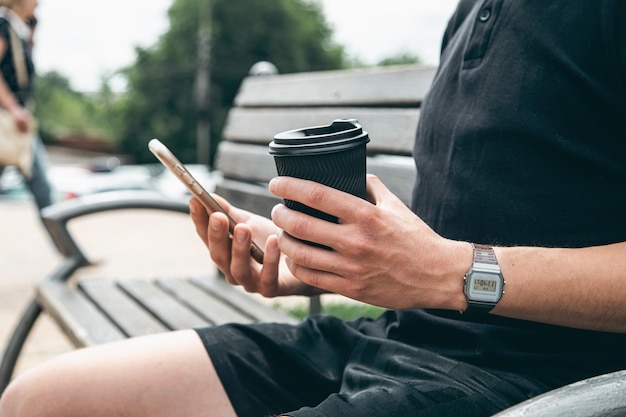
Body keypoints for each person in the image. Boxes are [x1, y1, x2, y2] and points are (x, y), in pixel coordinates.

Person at [1, 0, 625, 415]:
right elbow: (493, 213)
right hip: (393, 336)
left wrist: (450, 271)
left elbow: (454, 266)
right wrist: (329, 260)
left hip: (532, 380)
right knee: (41, 399)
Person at [0, 0, 52, 211]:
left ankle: (61, 241)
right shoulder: (3, 24)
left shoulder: (17, 29)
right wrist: (14, 108)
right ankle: (62, 241)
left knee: (43, 191)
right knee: (43, 191)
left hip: (15, 122)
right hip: (8, 120)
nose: (38, 4)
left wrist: (32, 33)